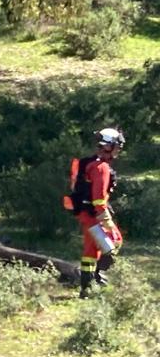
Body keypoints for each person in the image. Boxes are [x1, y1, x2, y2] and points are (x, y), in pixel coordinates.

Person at [66, 127, 125, 297]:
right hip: (95, 215)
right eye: (117, 146)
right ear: (109, 146)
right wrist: (105, 218)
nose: (118, 150)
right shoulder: (101, 168)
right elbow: (98, 197)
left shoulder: (91, 163)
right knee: (114, 243)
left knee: (91, 251)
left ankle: (86, 289)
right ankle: (97, 279)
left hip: (86, 214)